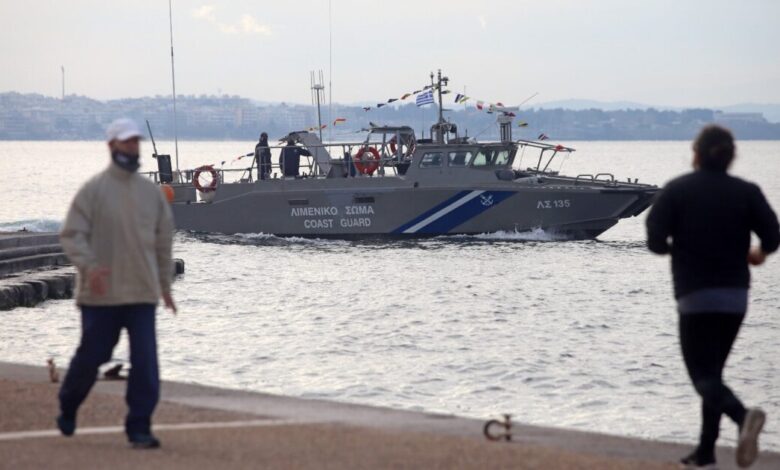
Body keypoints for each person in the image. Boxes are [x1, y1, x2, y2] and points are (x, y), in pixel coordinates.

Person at [646, 125, 779, 469]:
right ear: (731, 157)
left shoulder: (677, 190)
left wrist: (676, 249)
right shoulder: (746, 191)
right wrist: (759, 254)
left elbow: (655, 240)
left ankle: (743, 416)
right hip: (735, 297)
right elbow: (772, 234)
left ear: (696, 154)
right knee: (714, 374)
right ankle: (705, 453)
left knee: (702, 377)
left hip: (695, 296)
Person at [57, 118, 177, 449]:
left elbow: (163, 243)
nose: (133, 146)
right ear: (112, 145)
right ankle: (68, 403)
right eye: (127, 141)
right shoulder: (93, 190)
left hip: (141, 291)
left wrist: (165, 286)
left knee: (146, 360)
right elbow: (71, 235)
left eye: (136, 141)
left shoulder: (150, 194)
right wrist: (89, 267)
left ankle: (139, 425)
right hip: (100, 294)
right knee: (93, 355)